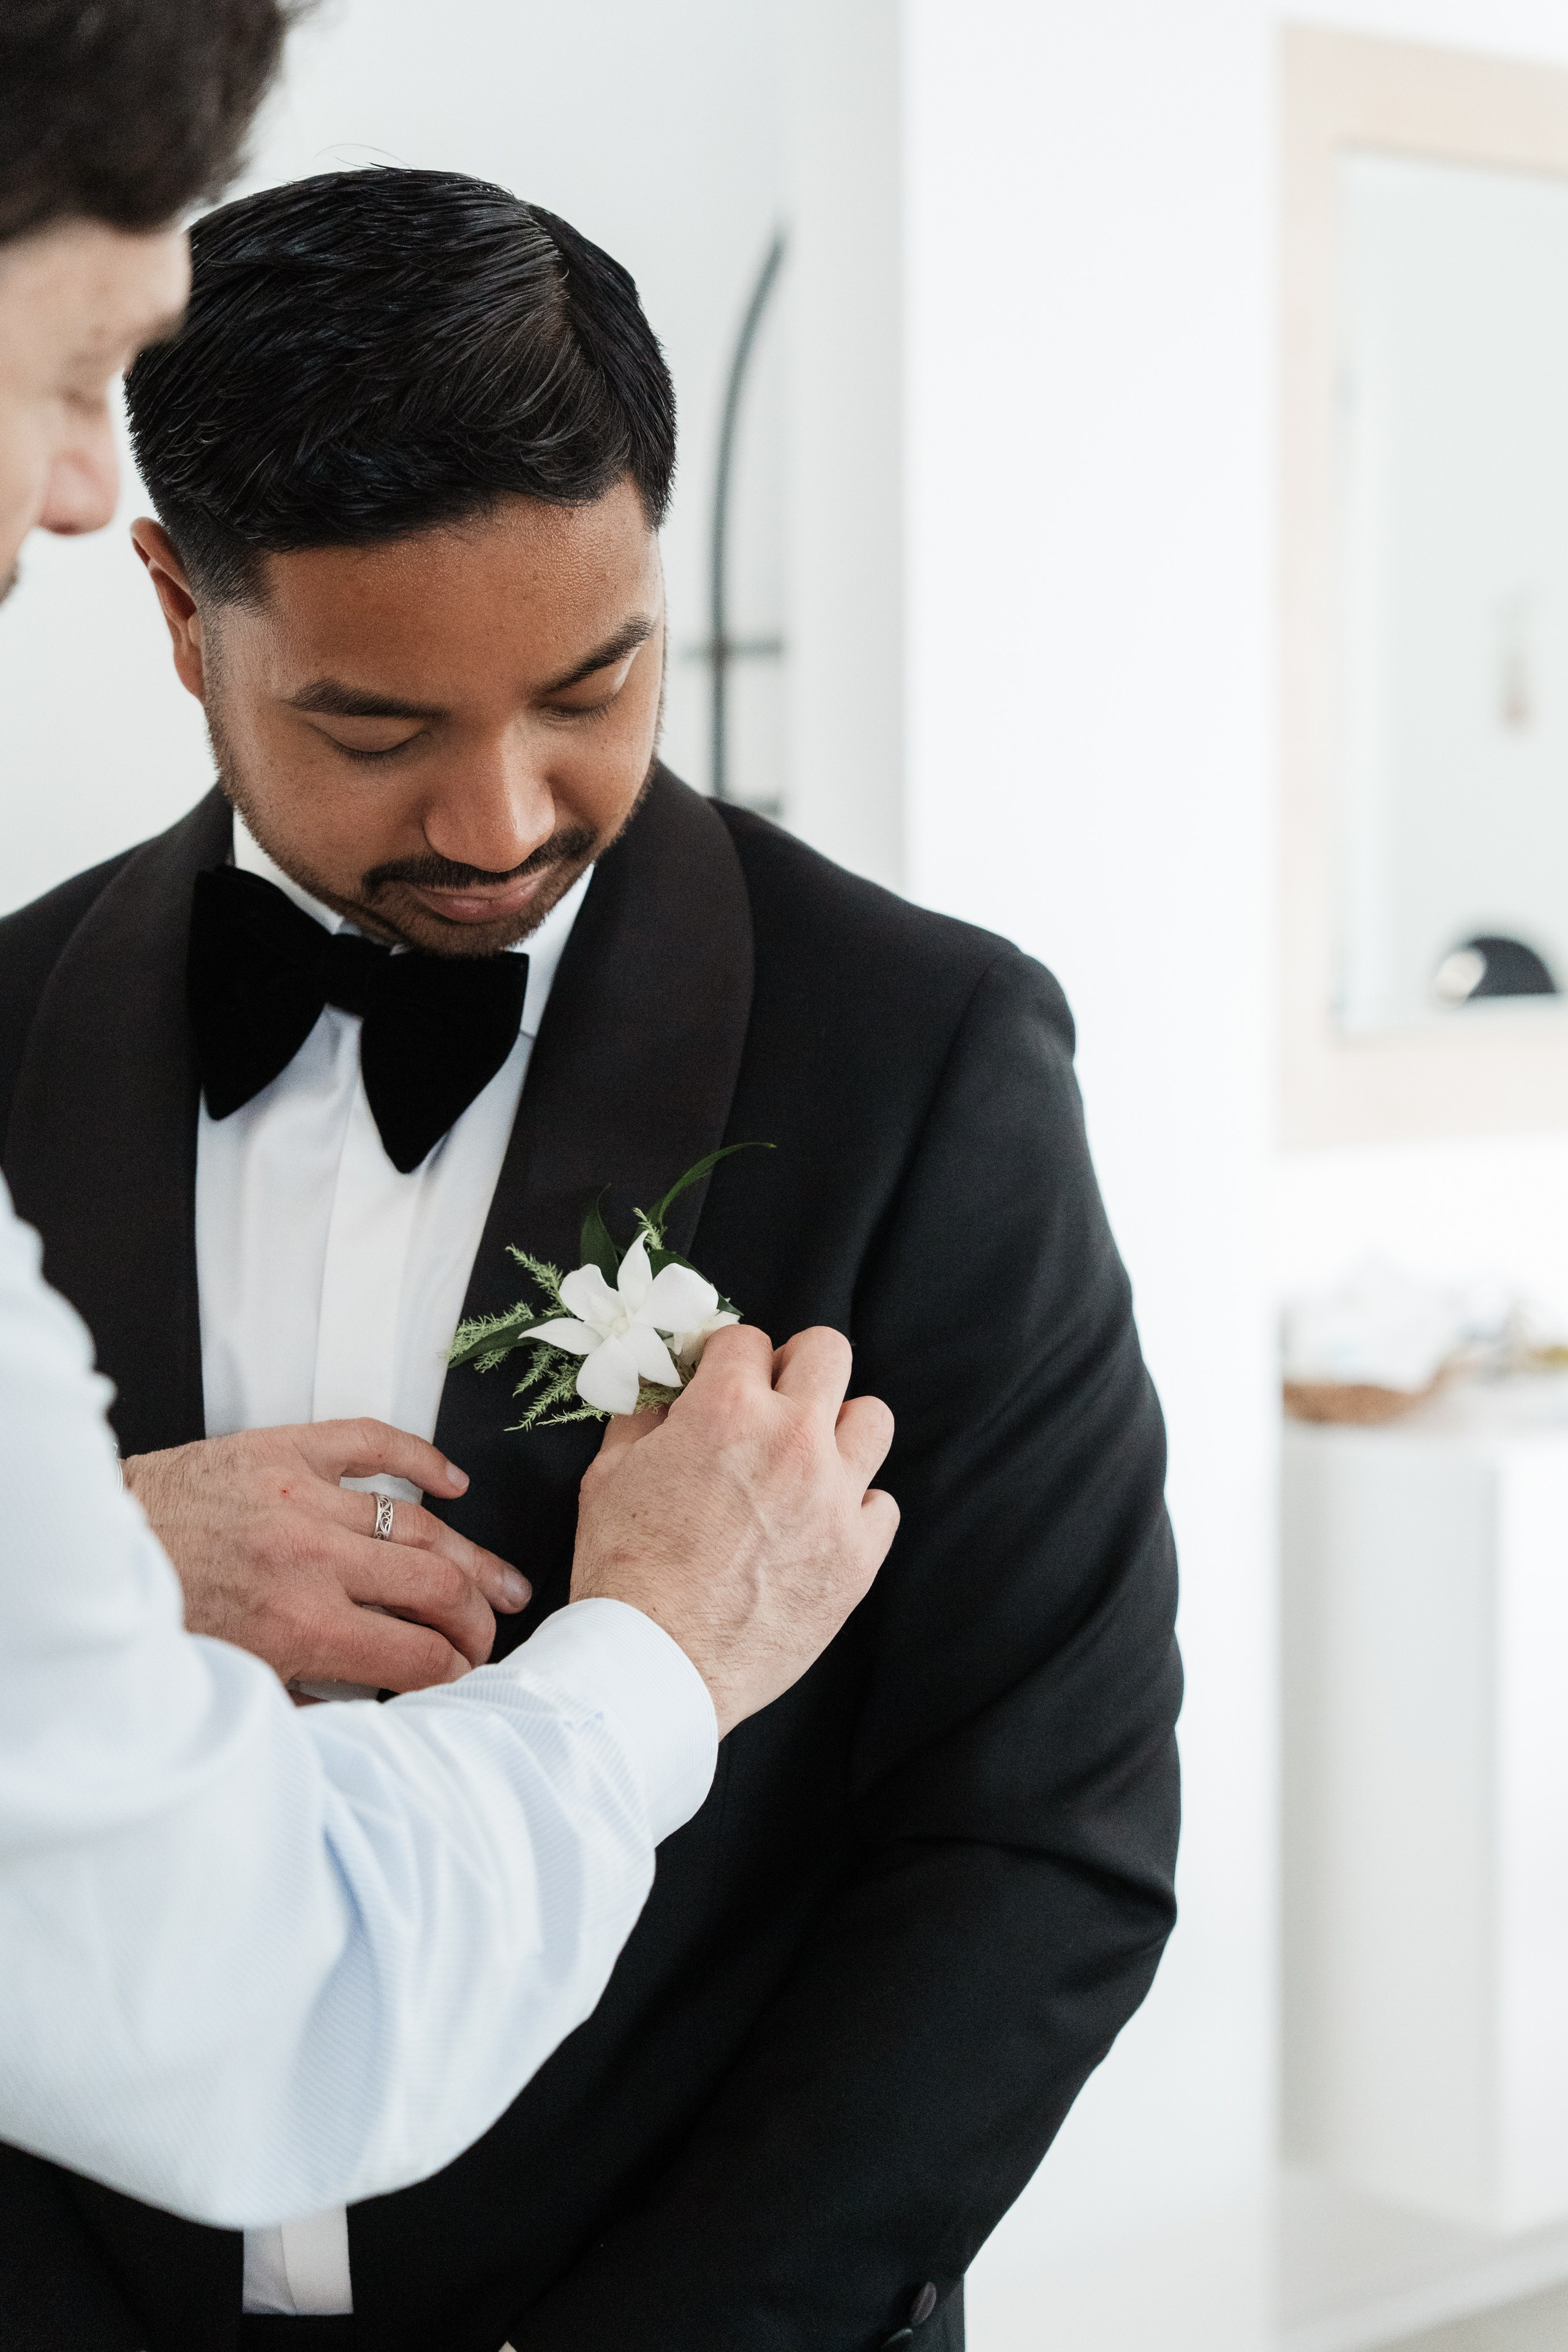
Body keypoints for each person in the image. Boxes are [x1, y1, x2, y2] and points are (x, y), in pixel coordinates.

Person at [0, 165, 1182, 2352]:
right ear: (180, 611)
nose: (502, 818)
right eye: (376, 727)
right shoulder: (4, 1024)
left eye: (591, 687)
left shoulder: (926, 1056)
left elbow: (1038, 1840)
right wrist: (64, 1563)